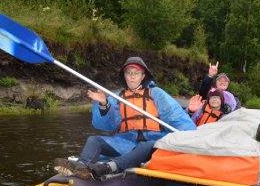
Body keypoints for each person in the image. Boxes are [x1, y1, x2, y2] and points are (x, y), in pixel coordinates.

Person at [54, 57, 196, 179]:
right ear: (125, 76)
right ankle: (81, 167)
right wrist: (104, 104)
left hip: (153, 143)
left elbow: (176, 117)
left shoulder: (156, 93)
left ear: (143, 76)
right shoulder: (117, 97)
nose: (132, 76)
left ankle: (108, 167)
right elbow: (106, 125)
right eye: (129, 73)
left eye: (136, 73)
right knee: (94, 140)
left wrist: (191, 138)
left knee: (144, 146)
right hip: (125, 144)